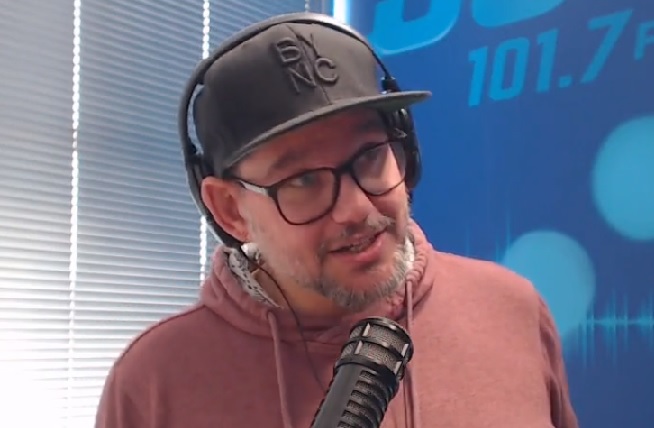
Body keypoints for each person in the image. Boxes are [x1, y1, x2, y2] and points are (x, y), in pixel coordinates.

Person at [95, 12, 579, 428]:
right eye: (303, 180)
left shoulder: (513, 310)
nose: (356, 210)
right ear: (230, 210)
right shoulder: (153, 382)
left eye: (370, 156)